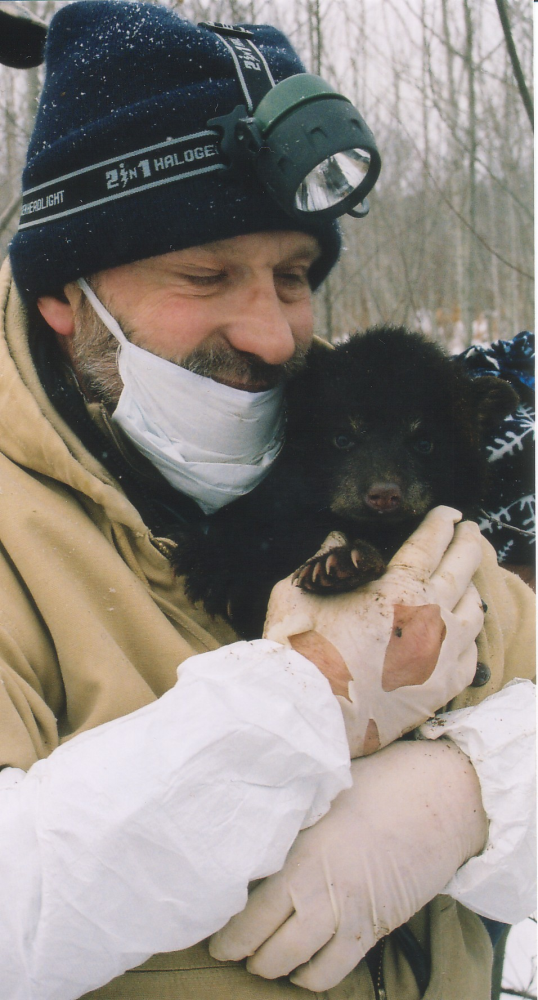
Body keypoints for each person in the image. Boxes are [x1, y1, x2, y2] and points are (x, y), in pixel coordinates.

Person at [0, 3, 534, 999]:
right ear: (64, 296)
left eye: (293, 277)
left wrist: (475, 786)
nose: (274, 335)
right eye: (206, 275)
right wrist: (313, 697)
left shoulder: (363, 453)